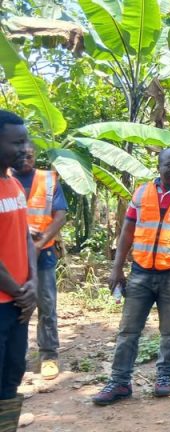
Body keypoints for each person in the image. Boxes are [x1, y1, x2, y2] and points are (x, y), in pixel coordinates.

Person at [92, 148, 170, 406]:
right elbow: (127, 233)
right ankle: (120, 382)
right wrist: (116, 267)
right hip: (141, 272)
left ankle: (164, 377)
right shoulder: (142, 193)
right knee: (128, 331)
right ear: (159, 167)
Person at [12, 145, 68, 380]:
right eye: (20, 154)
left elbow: (61, 215)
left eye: (29, 155)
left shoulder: (48, 179)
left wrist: (39, 242)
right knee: (13, 305)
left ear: (35, 156)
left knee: (46, 303)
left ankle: (48, 355)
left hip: (43, 252)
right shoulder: (4, 180)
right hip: (10, 254)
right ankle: (16, 357)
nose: (25, 158)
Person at [0, 110, 37, 431]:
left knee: (12, 374)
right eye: (17, 142)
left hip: (18, 303)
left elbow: (25, 237)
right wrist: (19, 292)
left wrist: (33, 285)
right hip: (5, 301)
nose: (25, 148)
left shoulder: (13, 185)